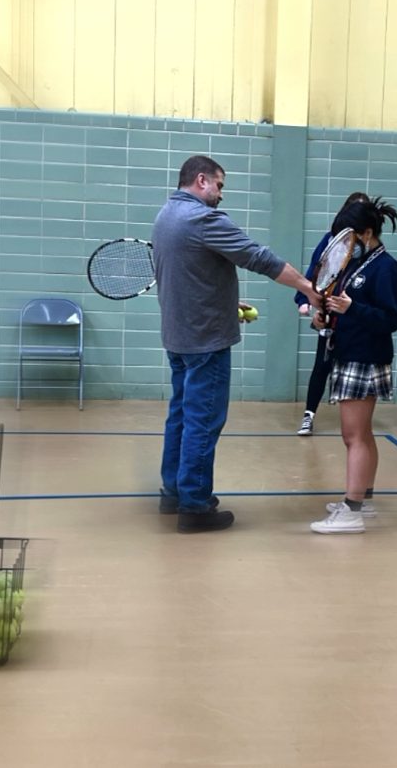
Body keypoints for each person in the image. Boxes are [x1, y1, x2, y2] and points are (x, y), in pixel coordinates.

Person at [152, 155, 321, 533]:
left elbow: (187, 273)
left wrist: (226, 300)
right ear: (201, 181)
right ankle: (195, 506)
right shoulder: (202, 219)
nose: (220, 195)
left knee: (180, 415)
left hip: (178, 337)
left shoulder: (166, 215)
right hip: (205, 342)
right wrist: (308, 287)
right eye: (219, 185)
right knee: (203, 421)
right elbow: (258, 258)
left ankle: (174, 492)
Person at [308, 197, 397, 534]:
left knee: (353, 436)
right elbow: (342, 306)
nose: (343, 246)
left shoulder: (386, 267)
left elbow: (391, 320)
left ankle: (351, 512)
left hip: (367, 358)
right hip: (348, 351)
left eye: (348, 237)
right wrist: (325, 319)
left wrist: (353, 310)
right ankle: (363, 498)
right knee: (361, 434)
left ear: (365, 233)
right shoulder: (353, 265)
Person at [294, 192, 370, 436]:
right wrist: (306, 301)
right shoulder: (331, 241)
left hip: (357, 319)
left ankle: (355, 422)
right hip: (331, 315)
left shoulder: (370, 250)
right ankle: (309, 415)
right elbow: (315, 272)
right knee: (322, 366)